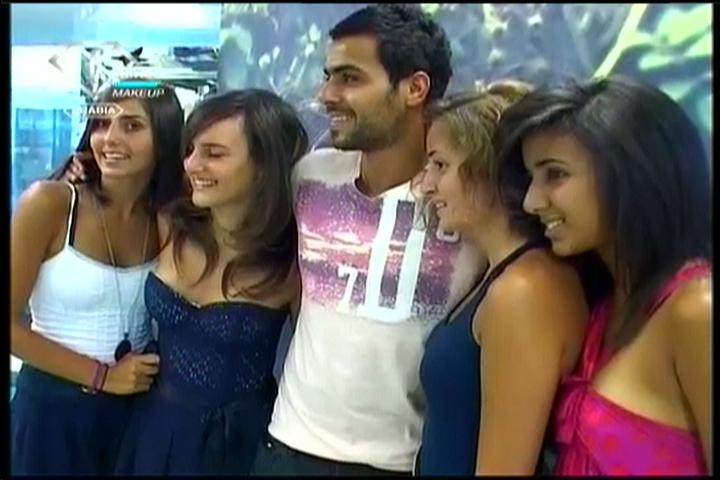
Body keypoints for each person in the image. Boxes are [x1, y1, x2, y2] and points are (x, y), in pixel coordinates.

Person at [252, 4, 485, 476]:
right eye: (328, 77)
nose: (326, 95)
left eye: (350, 78)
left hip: (400, 461)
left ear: (414, 88)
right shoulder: (310, 177)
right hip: (286, 447)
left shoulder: (466, 204)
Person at [495, 75, 712, 475]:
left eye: (555, 174)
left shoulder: (696, 309)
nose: (531, 201)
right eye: (530, 178)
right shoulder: (601, 309)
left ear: (633, 171)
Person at [113, 88, 309, 475]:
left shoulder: (293, 263)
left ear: (264, 166)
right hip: (153, 429)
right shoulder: (169, 223)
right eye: (190, 150)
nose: (192, 165)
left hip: (239, 447)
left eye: (214, 154)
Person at [10, 82, 184, 475]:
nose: (110, 139)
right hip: (52, 414)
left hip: (136, 413)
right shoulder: (50, 203)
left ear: (165, 137)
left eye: (132, 126)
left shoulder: (167, 218)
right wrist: (103, 377)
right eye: (102, 125)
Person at [415, 82, 588, 475]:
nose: (426, 185)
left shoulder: (524, 290)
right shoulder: (498, 273)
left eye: (440, 165)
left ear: (488, 167)